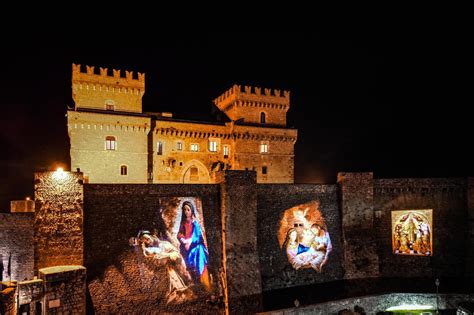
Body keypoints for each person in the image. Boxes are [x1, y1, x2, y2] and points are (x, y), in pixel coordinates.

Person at [137, 230, 192, 303]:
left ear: (153, 236)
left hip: (174, 270)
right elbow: (150, 257)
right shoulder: (152, 250)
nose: (148, 242)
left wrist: (168, 255)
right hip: (164, 274)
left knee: (180, 289)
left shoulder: (165, 244)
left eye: (147, 239)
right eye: (145, 242)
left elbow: (176, 255)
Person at [178, 201, 210, 290]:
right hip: (187, 248)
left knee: (200, 259)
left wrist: (189, 241)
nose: (186, 212)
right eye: (184, 210)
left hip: (196, 247)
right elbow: (179, 234)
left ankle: (206, 285)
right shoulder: (183, 223)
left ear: (191, 210)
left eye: (188, 209)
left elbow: (198, 236)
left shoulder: (195, 222)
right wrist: (184, 241)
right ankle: (198, 285)